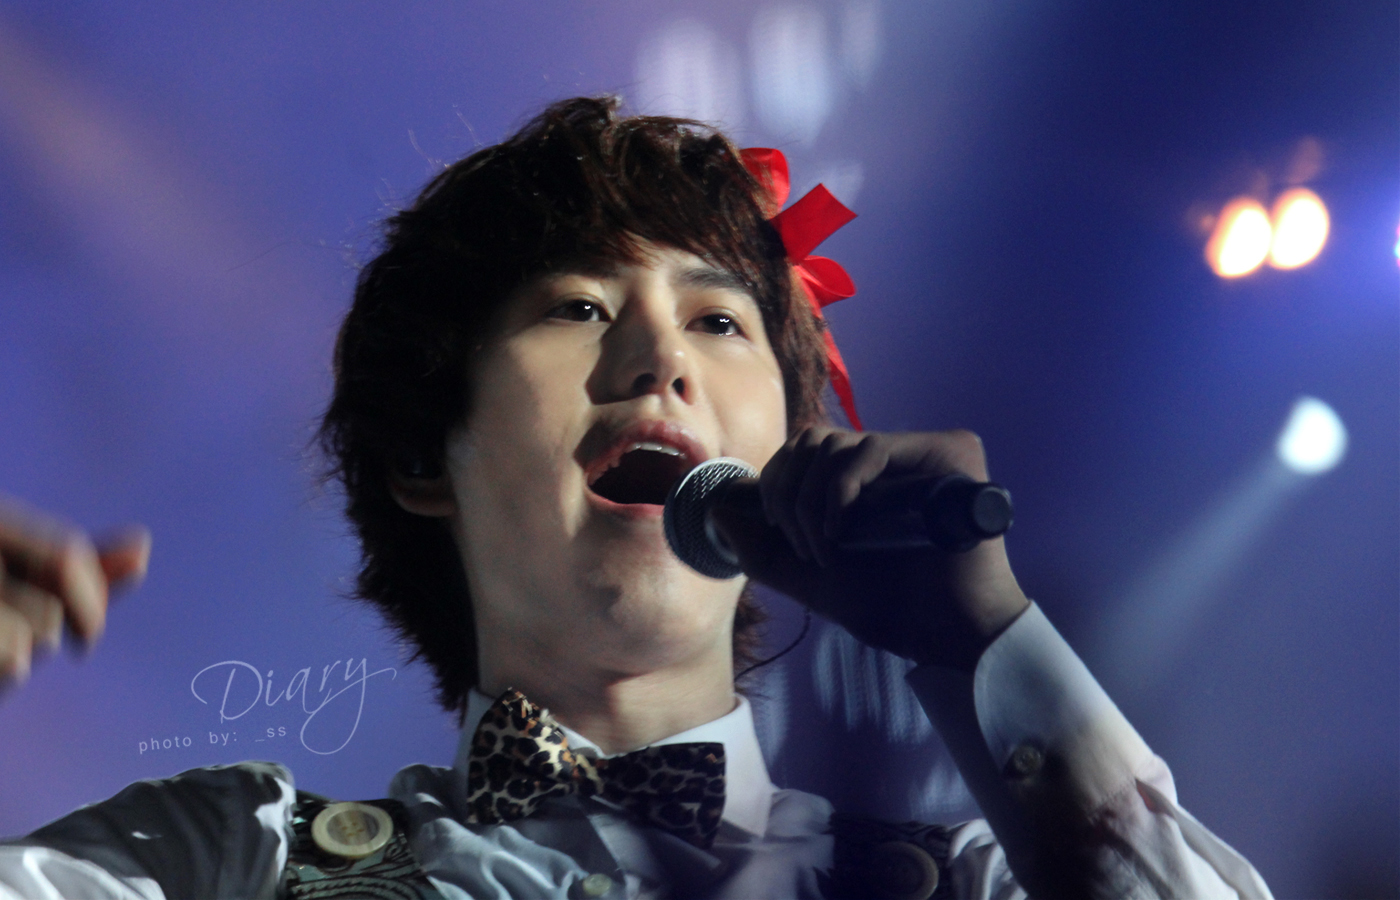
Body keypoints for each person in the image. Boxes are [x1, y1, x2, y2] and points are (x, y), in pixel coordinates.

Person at [0, 97, 1272, 899]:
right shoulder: (223, 859)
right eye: (577, 307)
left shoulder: (981, 882)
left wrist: (987, 644)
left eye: (719, 322)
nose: (659, 358)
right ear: (423, 457)